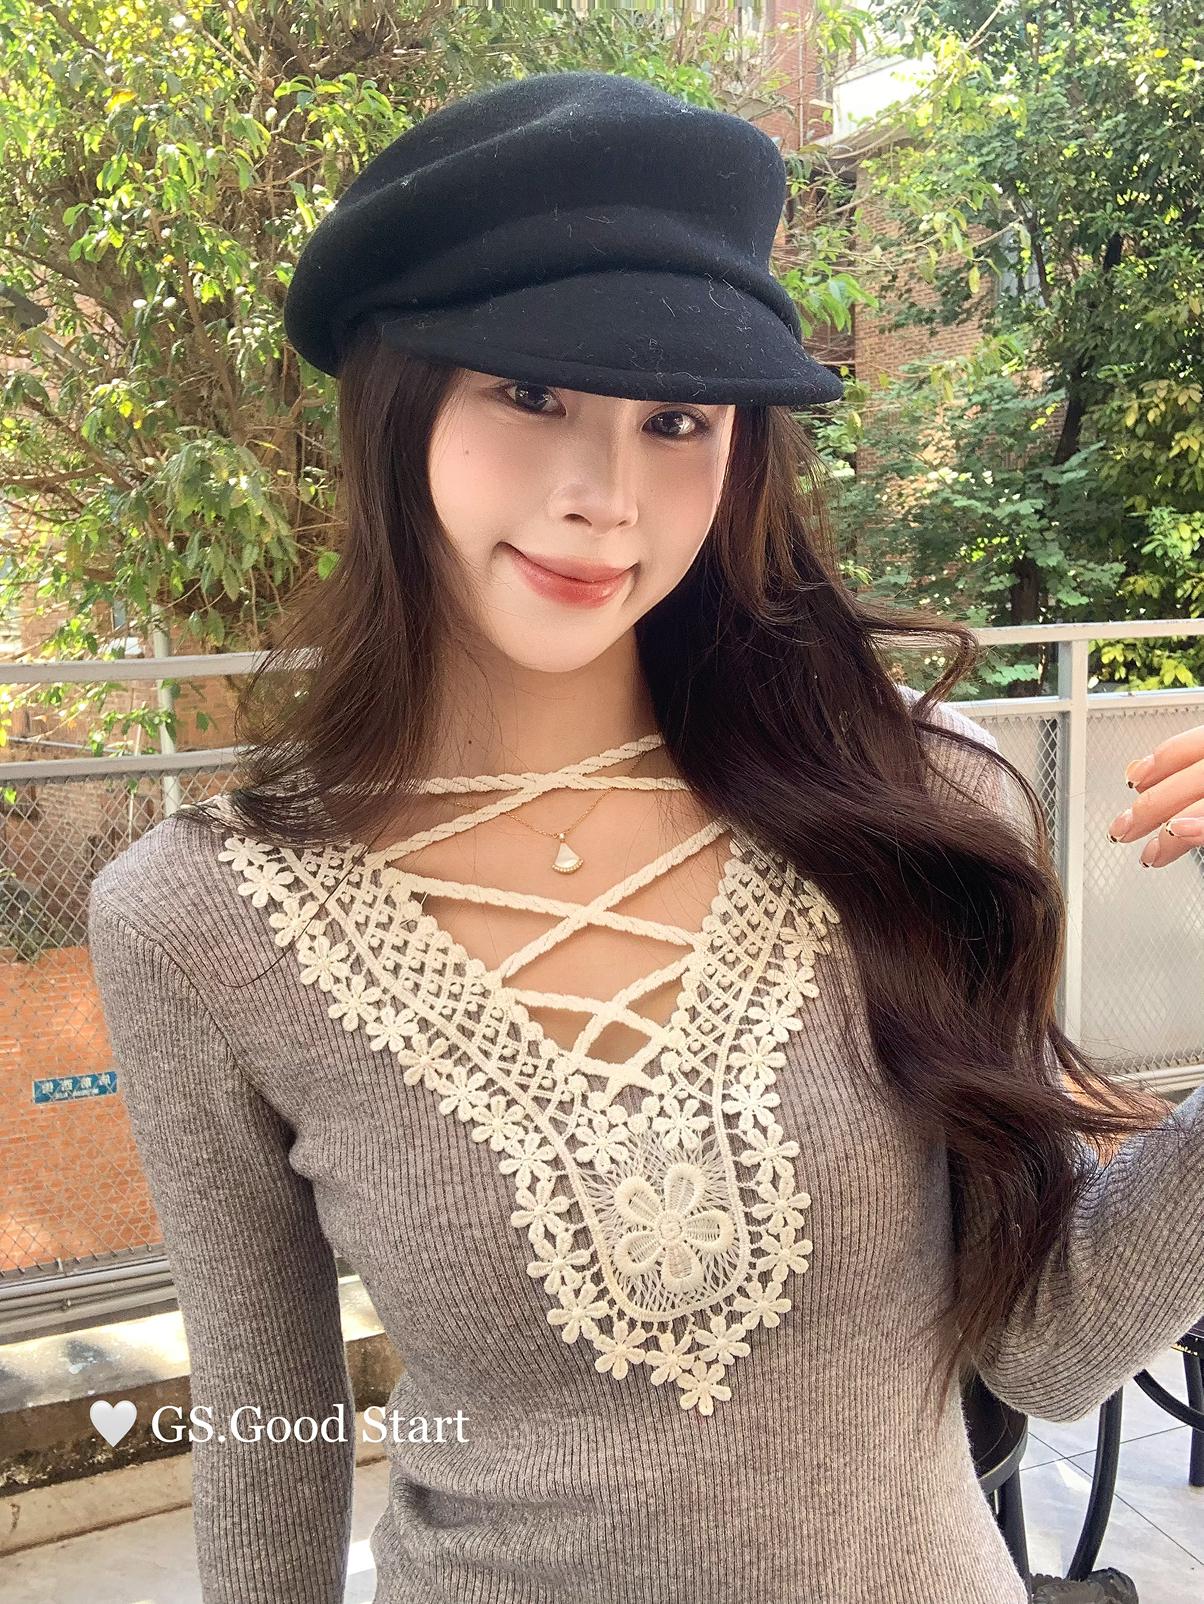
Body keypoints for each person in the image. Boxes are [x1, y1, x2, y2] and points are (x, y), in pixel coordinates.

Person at [86, 70, 1204, 1604]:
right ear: (398, 400)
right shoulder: (195, 919)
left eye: (676, 419)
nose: (603, 498)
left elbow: (1051, 1346)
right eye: (529, 394)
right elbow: (268, 1436)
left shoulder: (924, 807)